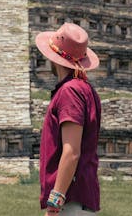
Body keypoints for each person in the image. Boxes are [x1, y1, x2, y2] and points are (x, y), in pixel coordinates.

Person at [35, 22, 102, 215]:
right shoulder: (84, 89)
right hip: (77, 199)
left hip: (69, 201)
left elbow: (71, 152)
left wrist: (55, 202)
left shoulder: (70, 91)